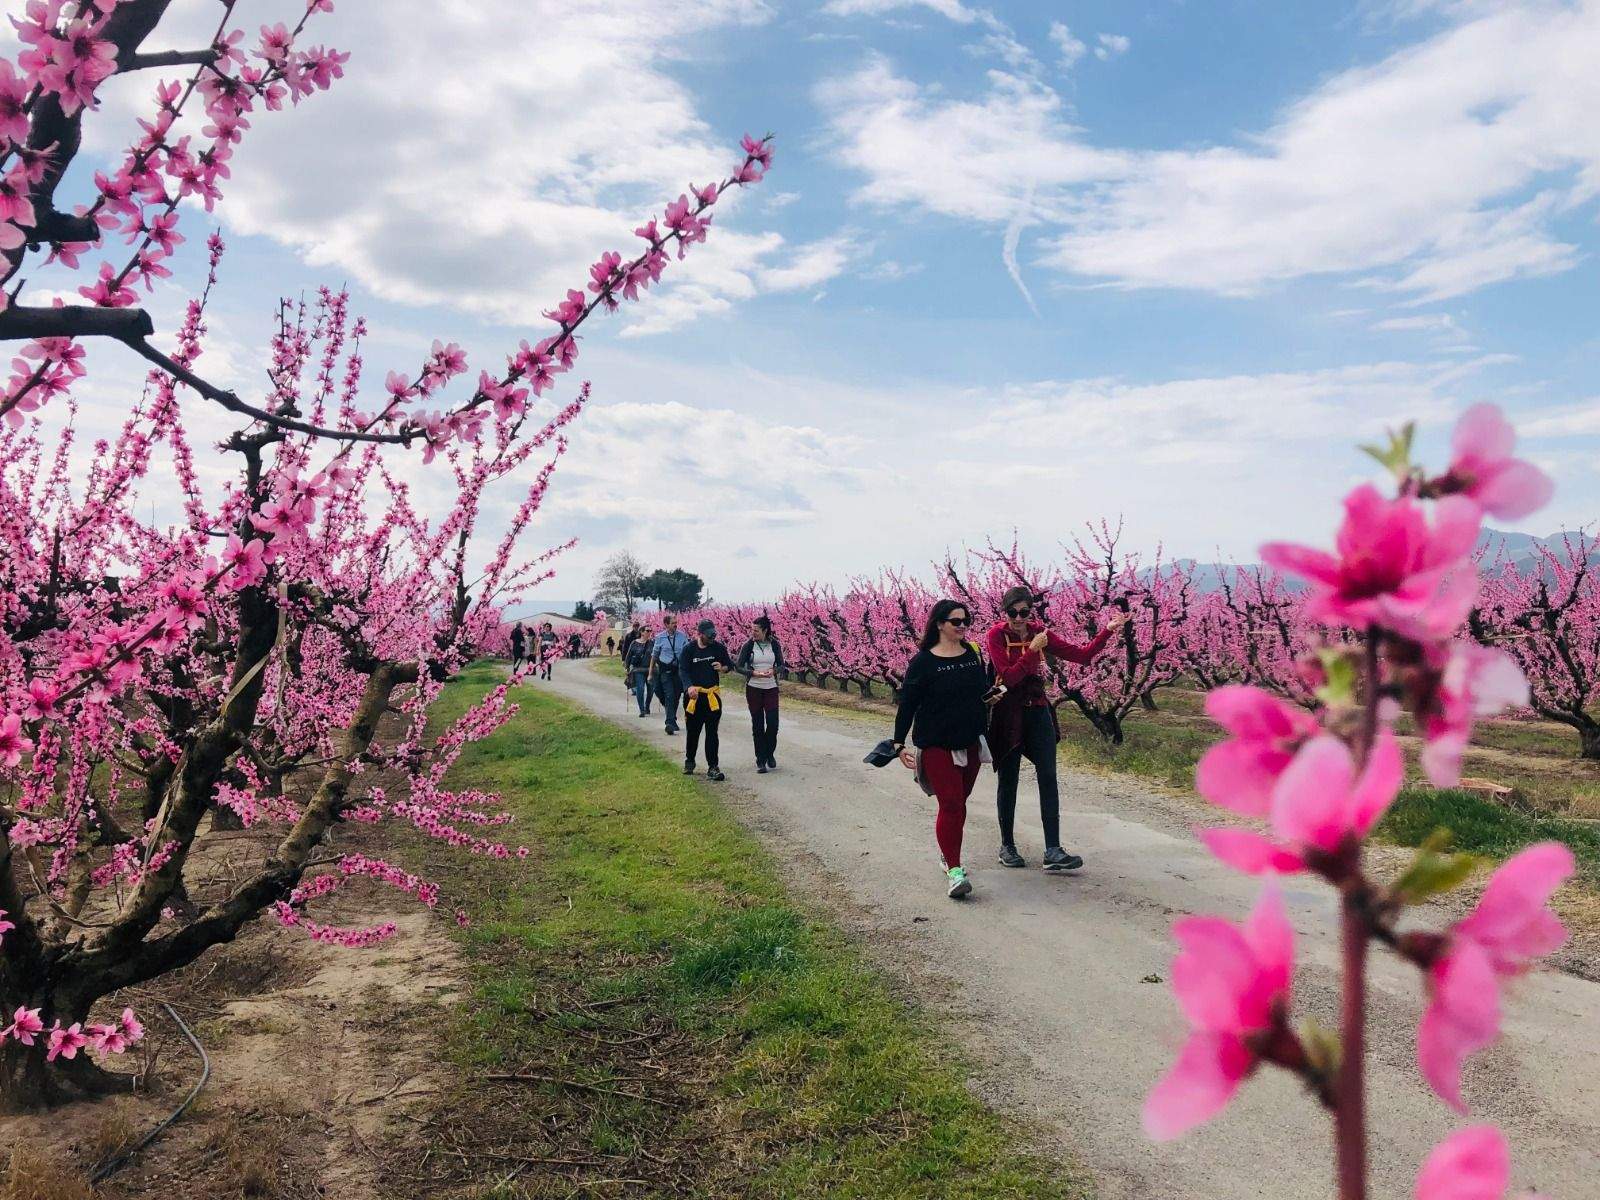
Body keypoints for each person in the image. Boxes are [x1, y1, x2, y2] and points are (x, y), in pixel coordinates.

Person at [984, 586, 1126, 872]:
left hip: (1037, 710)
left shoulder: (1041, 632)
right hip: (1008, 713)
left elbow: (1083, 656)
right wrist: (1032, 651)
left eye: (1024, 612)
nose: (1019, 618)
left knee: (1048, 776)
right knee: (1009, 778)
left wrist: (1108, 631)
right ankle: (1007, 846)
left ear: (1031, 611)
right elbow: (1008, 678)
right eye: (1013, 612)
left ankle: (1053, 849)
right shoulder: (996, 636)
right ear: (1005, 612)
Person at [892, 600, 996, 900]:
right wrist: (898, 743)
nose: (962, 626)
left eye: (966, 621)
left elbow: (980, 692)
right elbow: (908, 704)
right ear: (939, 623)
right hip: (936, 743)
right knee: (950, 804)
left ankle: (947, 852)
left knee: (959, 803)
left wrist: (991, 697)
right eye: (956, 621)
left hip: (970, 741)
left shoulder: (972, 654)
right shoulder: (923, 662)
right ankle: (954, 870)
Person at [679, 619, 732, 780]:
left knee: (712, 733)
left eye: (713, 635)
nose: (712, 638)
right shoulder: (689, 649)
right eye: (709, 636)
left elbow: (729, 665)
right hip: (694, 698)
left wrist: (722, 668)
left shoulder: (718, 648)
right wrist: (689, 687)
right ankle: (690, 761)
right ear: (700, 634)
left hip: (712, 696)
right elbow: (683, 670)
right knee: (693, 731)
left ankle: (713, 767)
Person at [734, 615, 785, 773]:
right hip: (754, 688)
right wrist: (752, 673)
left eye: (756, 630)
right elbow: (738, 666)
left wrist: (773, 671)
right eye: (752, 630)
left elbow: (782, 665)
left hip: (771, 688)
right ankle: (761, 760)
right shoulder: (748, 645)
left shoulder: (774, 644)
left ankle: (769, 753)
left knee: (773, 724)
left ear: (765, 630)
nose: (753, 633)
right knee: (757, 725)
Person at [648, 613, 690, 734]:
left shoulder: (682, 636)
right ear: (666, 625)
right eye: (673, 623)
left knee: (675, 696)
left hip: (678, 670)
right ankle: (670, 722)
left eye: (676, 623)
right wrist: (650, 673)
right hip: (665, 670)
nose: (675, 625)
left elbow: (688, 653)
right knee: (668, 695)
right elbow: (654, 656)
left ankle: (671, 721)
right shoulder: (660, 637)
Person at [624, 626, 654, 717]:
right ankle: (642, 710)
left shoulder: (652, 643)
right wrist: (627, 667)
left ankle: (647, 705)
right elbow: (628, 656)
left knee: (651, 691)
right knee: (640, 689)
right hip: (638, 670)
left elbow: (656, 655)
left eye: (650, 631)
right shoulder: (634, 643)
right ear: (642, 632)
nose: (649, 632)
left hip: (650, 670)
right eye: (647, 630)